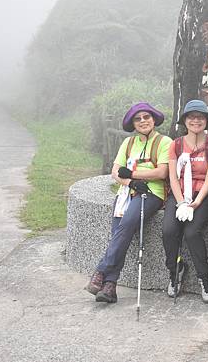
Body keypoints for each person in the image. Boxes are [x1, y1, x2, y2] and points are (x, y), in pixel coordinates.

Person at [85, 102, 172, 303]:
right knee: (120, 232)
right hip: (127, 193)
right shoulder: (128, 143)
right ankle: (109, 287)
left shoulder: (164, 142)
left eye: (146, 117)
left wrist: (133, 174)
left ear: (153, 119)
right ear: (133, 123)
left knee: (125, 226)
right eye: (138, 119)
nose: (143, 121)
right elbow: (116, 171)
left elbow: (162, 172)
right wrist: (131, 181)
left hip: (152, 193)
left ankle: (101, 271)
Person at [162, 100, 208, 303]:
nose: (196, 120)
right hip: (179, 195)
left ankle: (205, 277)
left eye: (200, 117)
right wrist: (181, 202)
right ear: (185, 120)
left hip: (204, 195)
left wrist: (196, 202)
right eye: (191, 117)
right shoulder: (175, 145)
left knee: (192, 232)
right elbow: (173, 177)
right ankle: (175, 269)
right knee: (169, 230)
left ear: (206, 121)